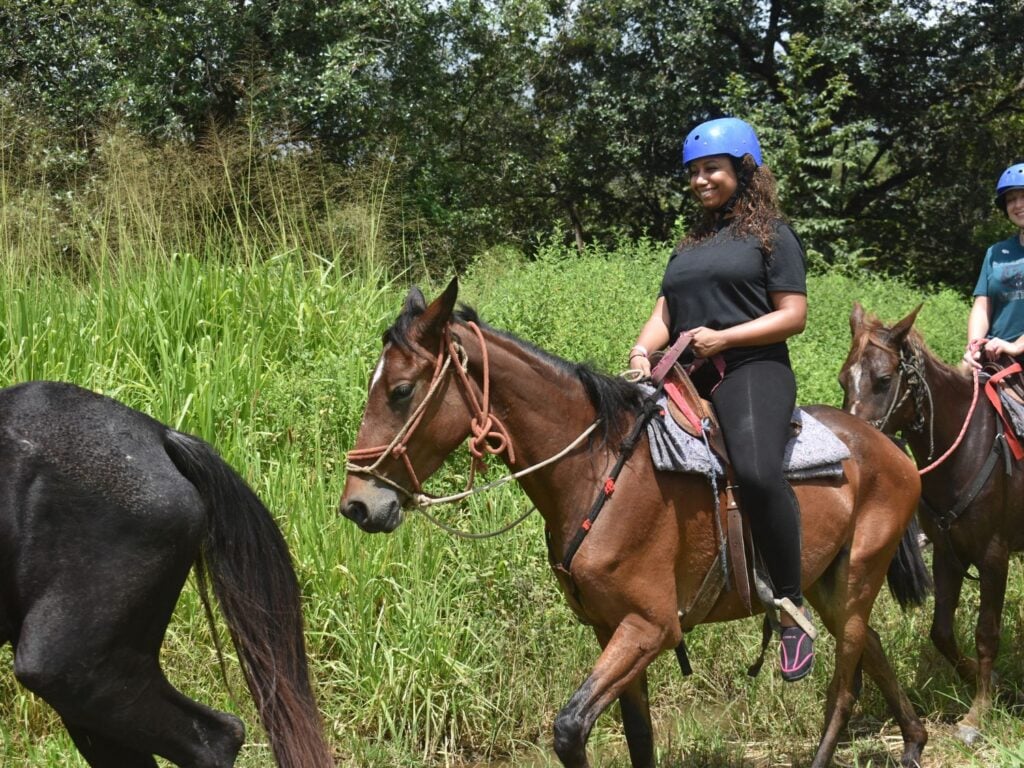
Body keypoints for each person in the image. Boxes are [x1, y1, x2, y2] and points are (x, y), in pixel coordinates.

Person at [628, 116, 813, 681]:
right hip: (685, 374)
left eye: (712, 168)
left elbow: (793, 316)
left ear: (743, 170)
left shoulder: (773, 236)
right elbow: (665, 311)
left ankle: (791, 607)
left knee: (756, 471)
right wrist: (641, 351)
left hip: (753, 369)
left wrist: (726, 338)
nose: (700, 180)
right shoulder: (690, 244)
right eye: (694, 172)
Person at [963, 162, 1024, 370]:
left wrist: (1017, 346)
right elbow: (982, 307)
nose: (1018, 205)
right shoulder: (996, 252)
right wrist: (973, 347)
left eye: (1023, 196)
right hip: (995, 357)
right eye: (1011, 199)